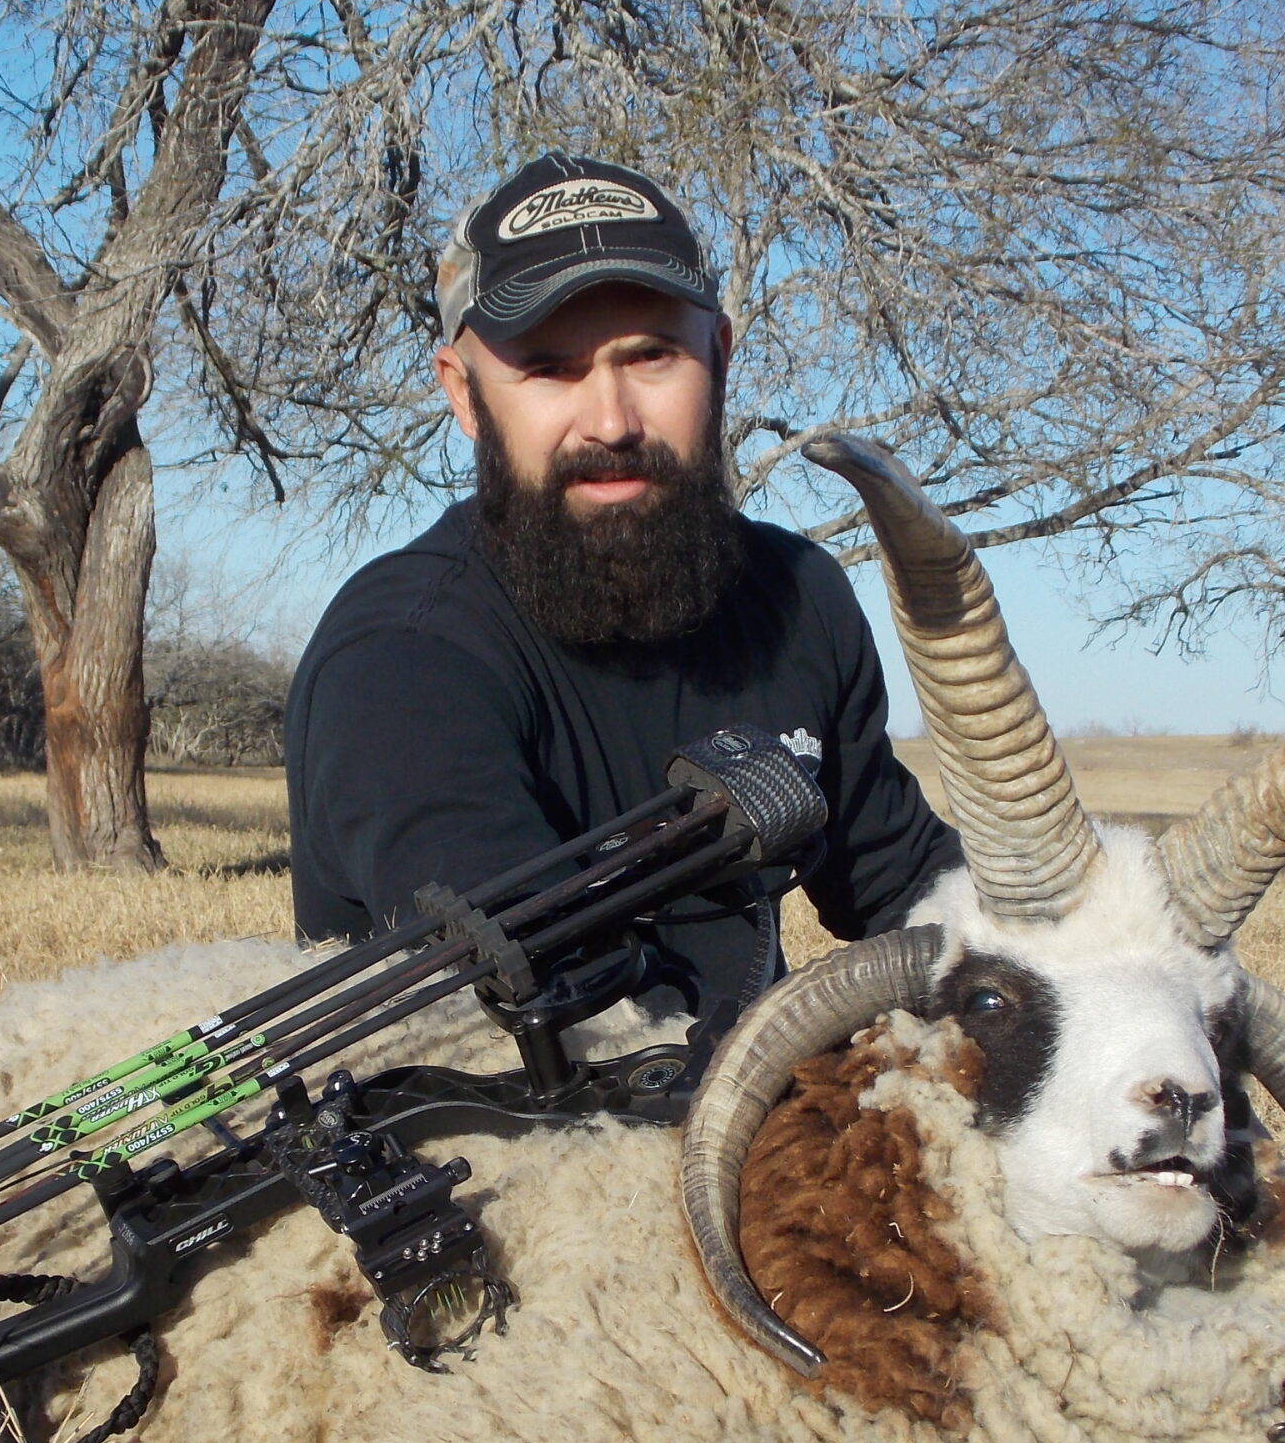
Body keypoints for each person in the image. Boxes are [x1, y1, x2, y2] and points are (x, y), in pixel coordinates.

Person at [285, 152, 958, 1021]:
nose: (611, 421)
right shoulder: (401, 662)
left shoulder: (798, 600)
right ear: (462, 392)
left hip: (741, 1110)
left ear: (717, 357)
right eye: (547, 367)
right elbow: (565, 1004)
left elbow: (910, 887)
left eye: (651, 356)